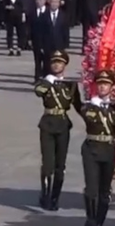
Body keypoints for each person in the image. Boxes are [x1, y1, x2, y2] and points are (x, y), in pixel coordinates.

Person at [79, 70, 115, 226]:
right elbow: (88, 116)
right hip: (91, 148)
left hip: (108, 150)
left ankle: (99, 223)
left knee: (104, 192)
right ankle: (91, 220)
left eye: (106, 84)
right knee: (91, 189)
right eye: (100, 84)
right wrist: (95, 104)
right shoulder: (89, 107)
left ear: (111, 87)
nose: (102, 87)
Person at [34, 50, 82, 211]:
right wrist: (49, 82)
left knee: (60, 165)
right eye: (54, 62)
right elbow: (38, 92)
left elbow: (79, 106)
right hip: (47, 124)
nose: (56, 65)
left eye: (60, 62)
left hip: (62, 124)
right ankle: (45, 196)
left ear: (64, 65)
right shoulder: (44, 82)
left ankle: (55, 197)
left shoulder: (71, 85)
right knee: (47, 163)